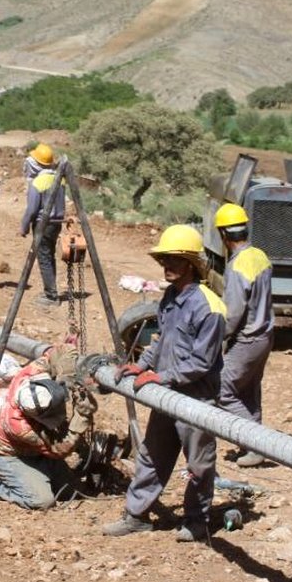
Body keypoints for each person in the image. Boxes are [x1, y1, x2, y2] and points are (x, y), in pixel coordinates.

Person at [103, 224, 226, 542]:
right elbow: (161, 341)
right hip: (168, 393)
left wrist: (161, 376)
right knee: (152, 455)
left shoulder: (209, 308)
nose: (165, 265)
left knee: (199, 464)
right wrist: (141, 365)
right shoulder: (170, 296)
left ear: (190, 264)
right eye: (164, 259)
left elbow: (202, 362)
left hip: (195, 400)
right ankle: (137, 515)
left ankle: (197, 522)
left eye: (173, 259)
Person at [0, 355, 95, 510]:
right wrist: (82, 417)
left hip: (38, 453)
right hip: (13, 457)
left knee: (70, 491)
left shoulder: (27, 376)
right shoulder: (20, 427)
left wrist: (72, 372)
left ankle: (38, 476)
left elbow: (56, 352)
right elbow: (59, 450)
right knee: (43, 501)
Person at [213, 203, 274, 468]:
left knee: (223, 391)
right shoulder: (261, 256)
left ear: (224, 236)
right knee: (249, 391)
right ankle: (251, 448)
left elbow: (233, 313)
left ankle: (256, 443)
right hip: (265, 337)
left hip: (247, 339)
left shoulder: (236, 267)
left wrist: (216, 337)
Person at [20, 142, 65, 306]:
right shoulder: (60, 180)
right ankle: (51, 290)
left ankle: (51, 296)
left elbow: (32, 209)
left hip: (43, 224)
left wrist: (23, 226)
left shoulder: (38, 183)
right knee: (49, 255)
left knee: (44, 258)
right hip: (56, 223)